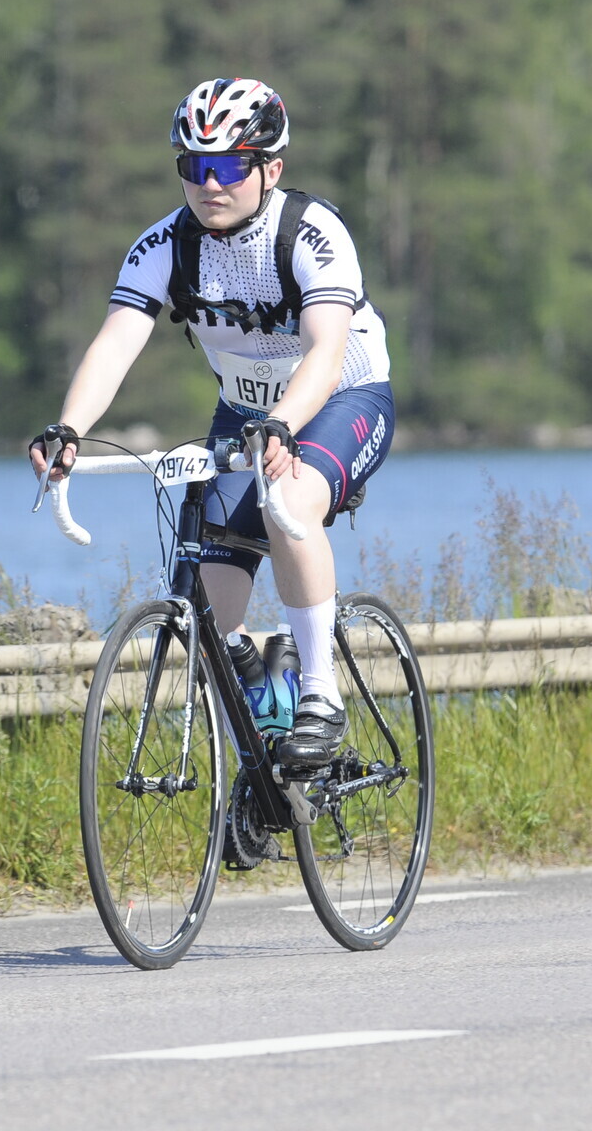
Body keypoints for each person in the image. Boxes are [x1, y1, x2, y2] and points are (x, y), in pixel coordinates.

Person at [29, 78, 393, 771]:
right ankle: (257, 744)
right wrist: (68, 428)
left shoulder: (311, 232)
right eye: (194, 166)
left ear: (271, 168)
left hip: (340, 399)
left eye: (228, 166)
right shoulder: (165, 244)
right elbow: (116, 342)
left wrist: (284, 423)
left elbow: (326, 349)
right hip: (248, 414)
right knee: (205, 589)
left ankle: (321, 695)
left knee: (289, 504)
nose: (210, 184)